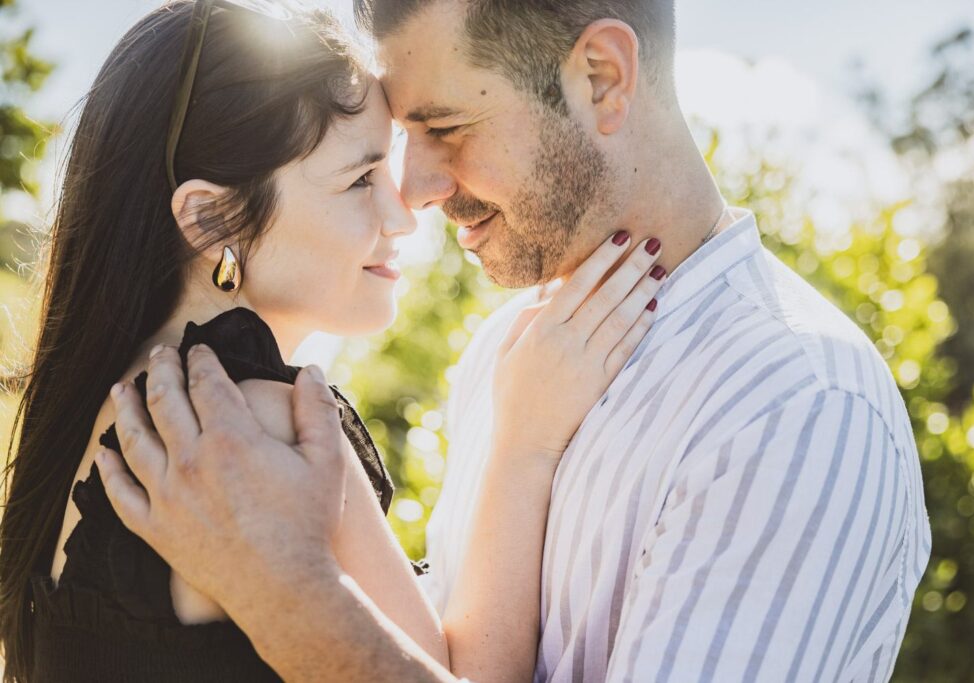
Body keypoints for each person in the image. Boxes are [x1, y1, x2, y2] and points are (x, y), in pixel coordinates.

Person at [97, 0, 933, 681]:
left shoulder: (792, 406)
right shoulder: (507, 351)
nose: (414, 192)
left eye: (447, 125)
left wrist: (295, 605)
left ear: (603, 78)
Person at [0, 2, 665, 681]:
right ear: (210, 218)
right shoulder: (259, 423)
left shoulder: (103, 410)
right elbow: (464, 672)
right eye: (359, 179)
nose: (402, 213)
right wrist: (524, 443)